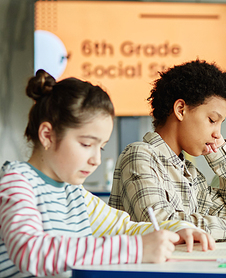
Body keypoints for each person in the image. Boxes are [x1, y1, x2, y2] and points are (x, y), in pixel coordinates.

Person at [0, 70, 214, 277]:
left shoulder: (74, 193)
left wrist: (179, 231)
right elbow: (30, 252)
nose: (96, 160)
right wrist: (136, 249)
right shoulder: (17, 182)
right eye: (86, 144)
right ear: (47, 135)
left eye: (100, 147)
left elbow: (122, 227)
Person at [109, 60, 226, 242]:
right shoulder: (140, 156)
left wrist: (220, 155)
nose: (218, 134)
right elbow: (163, 224)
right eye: (212, 120)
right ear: (181, 110)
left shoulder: (190, 173)